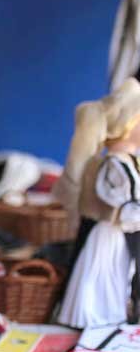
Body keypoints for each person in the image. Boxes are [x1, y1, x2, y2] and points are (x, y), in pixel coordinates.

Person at [55, 78, 140, 328]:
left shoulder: (127, 162)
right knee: (102, 275)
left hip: (119, 231)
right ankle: (95, 318)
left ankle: (111, 315)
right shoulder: (115, 164)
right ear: (128, 125)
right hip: (110, 231)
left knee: (116, 274)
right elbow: (124, 203)